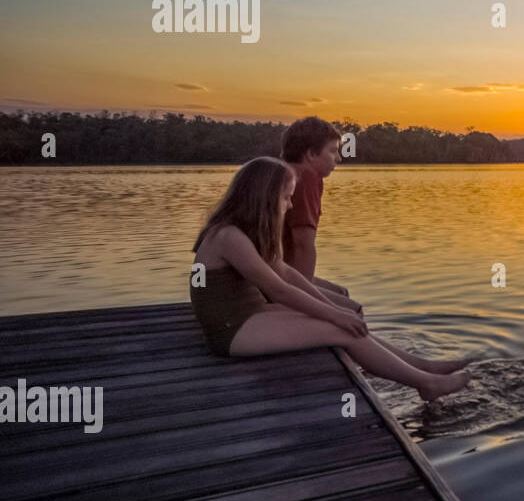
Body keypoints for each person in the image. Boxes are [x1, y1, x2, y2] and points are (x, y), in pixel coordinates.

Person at [189, 156, 470, 402]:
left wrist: (337, 310)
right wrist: (336, 317)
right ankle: (428, 384)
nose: (288, 206)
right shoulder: (228, 237)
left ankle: (424, 367)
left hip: (249, 315)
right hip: (231, 332)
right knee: (341, 330)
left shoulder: (247, 232)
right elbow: (279, 290)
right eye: (286, 197)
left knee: (345, 321)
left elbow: (286, 273)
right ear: (264, 197)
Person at [279, 117, 352, 304]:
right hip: (269, 276)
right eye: (333, 151)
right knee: (351, 309)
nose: (339, 158)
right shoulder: (305, 178)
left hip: (270, 270)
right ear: (311, 154)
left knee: (341, 293)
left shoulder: (281, 172)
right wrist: (305, 298)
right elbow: (302, 243)